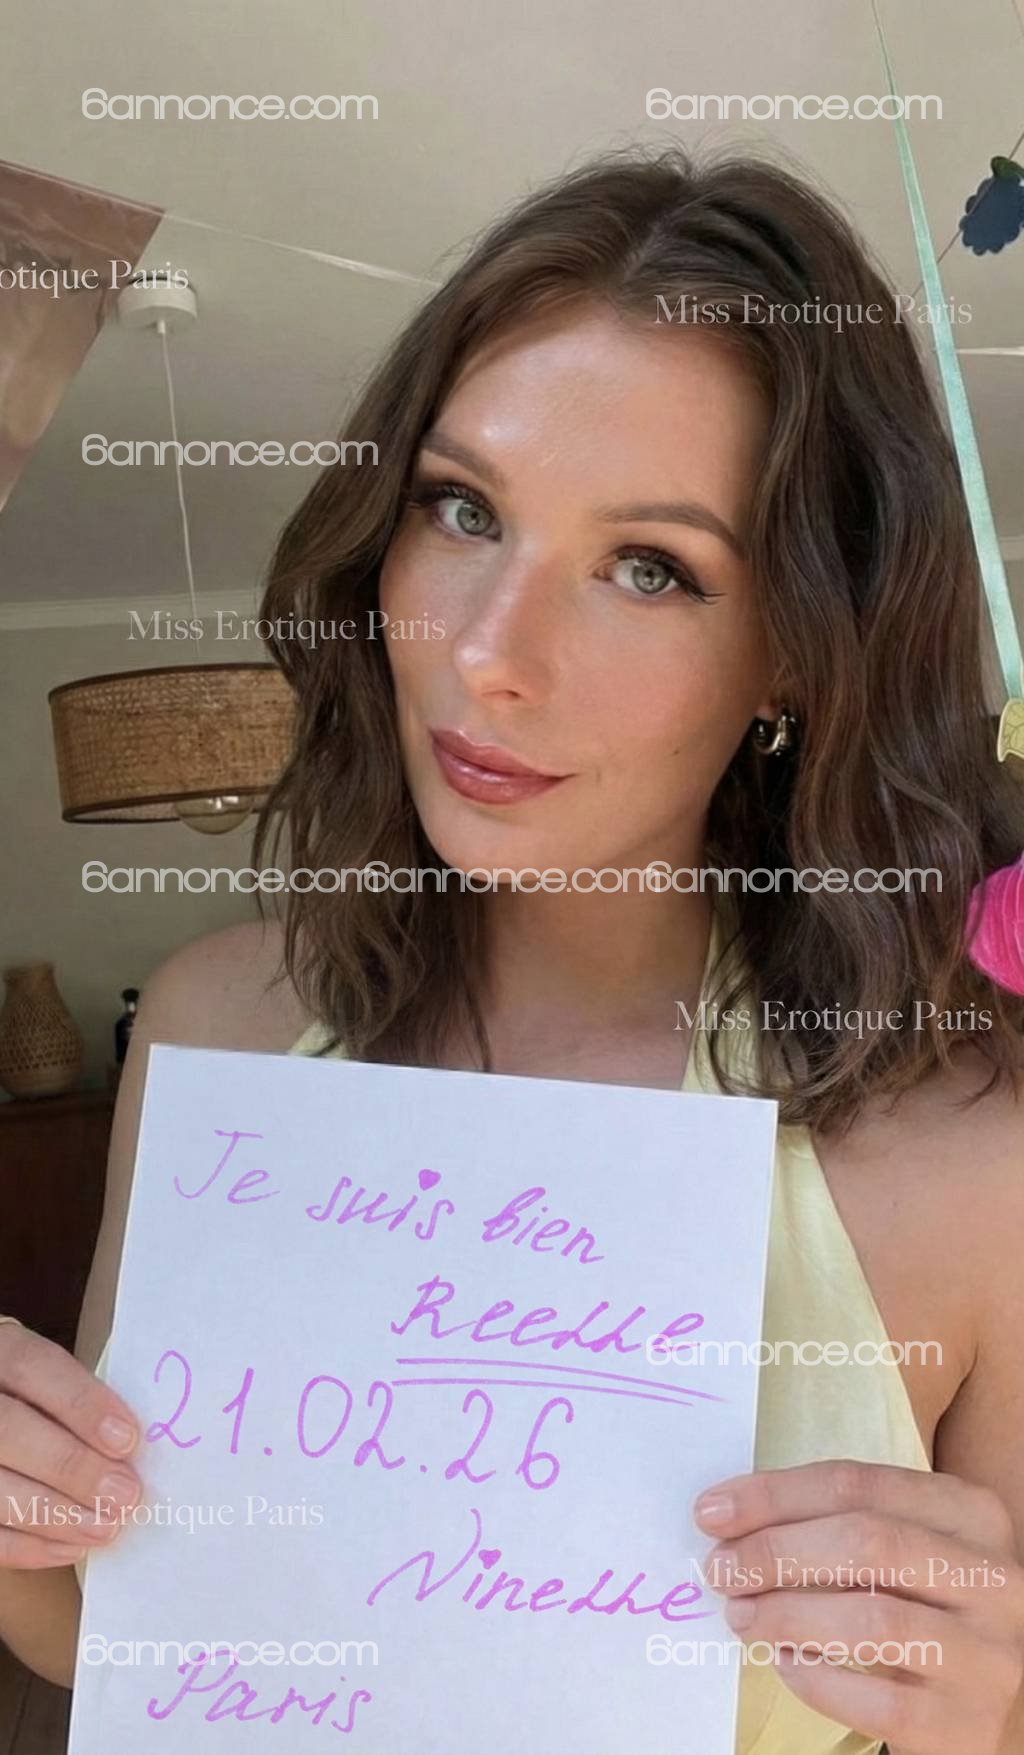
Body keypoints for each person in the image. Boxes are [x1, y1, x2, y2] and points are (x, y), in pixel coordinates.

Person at [1, 146, 1023, 1755]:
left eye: (649, 568)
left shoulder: (971, 1159)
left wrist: (996, 1704)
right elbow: (108, 1637)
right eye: (463, 509)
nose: (486, 653)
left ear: (796, 655)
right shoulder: (221, 1024)